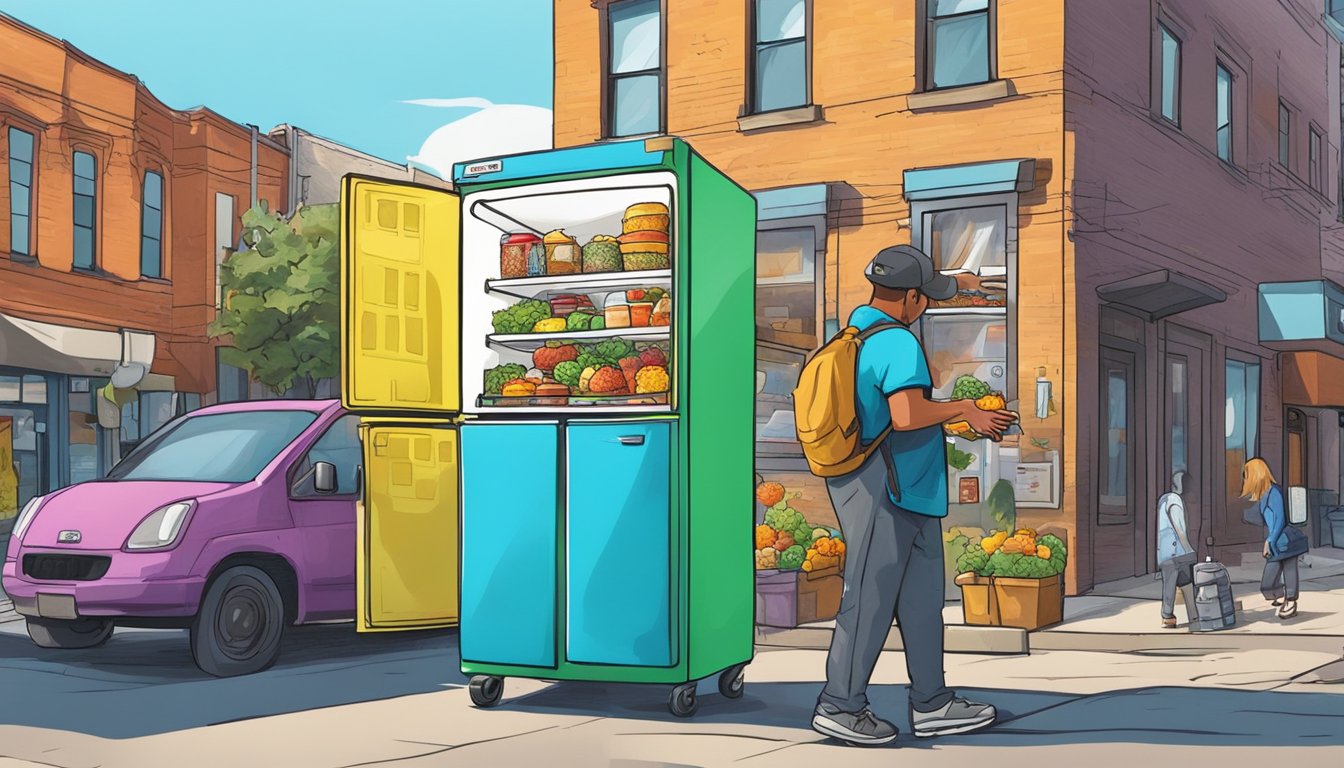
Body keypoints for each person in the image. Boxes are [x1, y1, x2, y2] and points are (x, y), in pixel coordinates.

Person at [810, 244, 1017, 746]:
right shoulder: (896, 341)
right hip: (885, 488)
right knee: (870, 595)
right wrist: (964, 409)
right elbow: (905, 416)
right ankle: (840, 704)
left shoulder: (858, 332)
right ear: (909, 298)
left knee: (922, 601)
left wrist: (965, 284)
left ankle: (933, 703)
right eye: (926, 298)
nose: (926, 306)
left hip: (908, 490)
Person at [1242, 458, 1299, 619]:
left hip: (1284, 541)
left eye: (1247, 475)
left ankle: (1290, 601)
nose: (1245, 479)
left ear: (1255, 475)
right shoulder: (1263, 495)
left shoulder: (1273, 492)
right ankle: (1281, 596)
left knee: (1289, 571)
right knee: (1267, 584)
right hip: (1277, 542)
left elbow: (1280, 519)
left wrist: (1269, 540)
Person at [1155, 471, 1198, 629]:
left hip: (1164, 552)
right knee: (1185, 583)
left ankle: (1168, 616)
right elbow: (1179, 528)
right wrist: (1188, 548)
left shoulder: (1163, 500)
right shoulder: (1175, 500)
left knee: (1172, 583)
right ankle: (1191, 614)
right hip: (1178, 552)